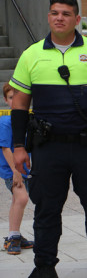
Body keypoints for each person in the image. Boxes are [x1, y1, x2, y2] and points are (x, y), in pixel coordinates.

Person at [9, 0, 87, 278]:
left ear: (77, 19)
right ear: (48, 17)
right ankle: (44, 268)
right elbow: (20, 105)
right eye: (54, 13)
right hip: (49, 148)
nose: (59, 18)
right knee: (46, 211)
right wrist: (17, 146)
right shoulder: (32, 54)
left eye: (65, 13)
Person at [0, 83, 34, 255]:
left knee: (17, 200)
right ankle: (12, 237)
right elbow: (5, 148)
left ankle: (15, 235)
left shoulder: (27, 120)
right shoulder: (6, 121)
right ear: (6, 101)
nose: (15, 101)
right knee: (21, 198)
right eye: (11, 97)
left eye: (18, 97)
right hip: (12, 170)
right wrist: (15, 171)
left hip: (25, 170)